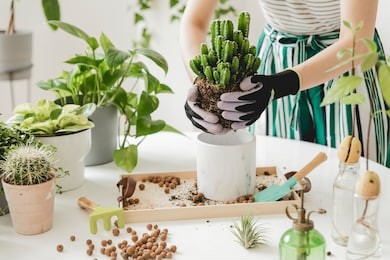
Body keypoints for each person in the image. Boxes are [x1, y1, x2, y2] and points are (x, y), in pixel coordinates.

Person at [180, 0, 389, 168]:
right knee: (276, 175)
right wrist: (202, 85)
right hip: (277, 60)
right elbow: (194, 22)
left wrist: (280, 85)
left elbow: (357, 41)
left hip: (344, 65)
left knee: (351, 179)